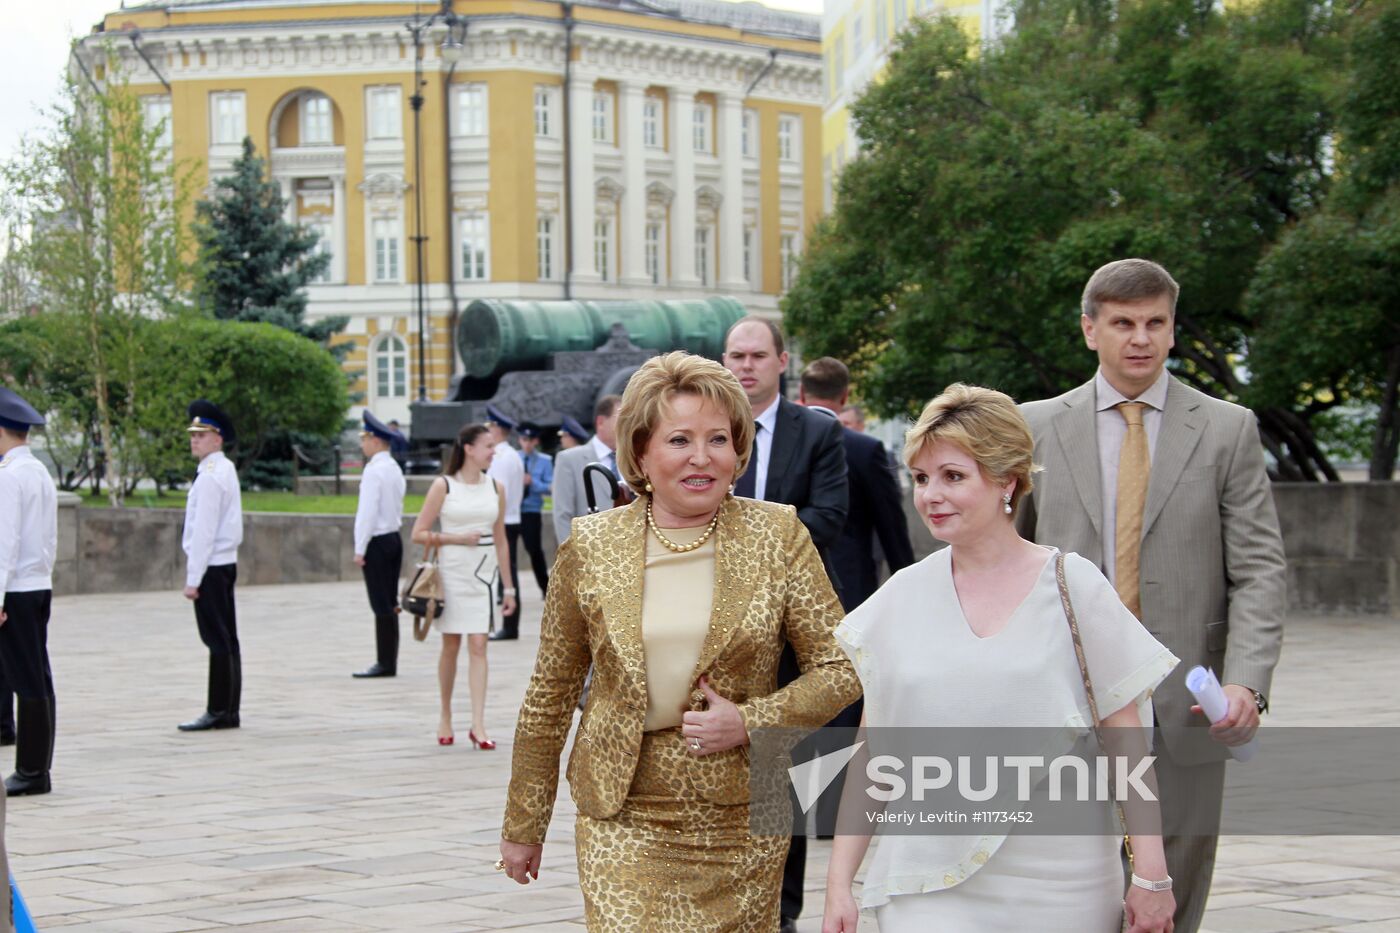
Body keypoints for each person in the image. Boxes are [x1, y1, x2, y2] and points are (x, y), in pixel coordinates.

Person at [499, 352, 861, 933]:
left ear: (739, 448)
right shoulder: (591, 546)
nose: (702, 457)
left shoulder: (778, 533)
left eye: (719, 438)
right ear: (640, 451)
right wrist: (524, 824)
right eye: (679, 439)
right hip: (624, 808)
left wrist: (752, 718)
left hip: (746, 810)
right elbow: (549, 694)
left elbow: (841, 666)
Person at [824, 383, 1179, 933]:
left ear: (1006, 481)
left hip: (1063, 882)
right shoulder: (900, 598)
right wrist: (839, 884)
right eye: (921, 478)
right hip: (927, 882)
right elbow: (873, 755)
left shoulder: (1073, 585)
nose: (931, 495)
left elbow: (1126, 740)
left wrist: (1152, 877)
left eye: (953, 476)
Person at [1017, 258, 1286, 931]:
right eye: (1122, 323)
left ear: (1172, 332)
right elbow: (994, 562)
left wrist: (1247, 684)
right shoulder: (1034, 427)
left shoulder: (1227, 429)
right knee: (1069, 892)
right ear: (1090, 329)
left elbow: (1259, 569)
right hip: (1063, 702)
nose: (1140, 338)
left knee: (1171, 899)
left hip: (1187, 710)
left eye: (1155, 323)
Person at [723, 316, 848, 932]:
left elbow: (830, 515)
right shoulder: (706, 427)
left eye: (756, 355)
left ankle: (783, 910)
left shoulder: (817, 433)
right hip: (713, 623)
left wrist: (761, 544)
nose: (745, 366)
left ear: (782, 361)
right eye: (735, 355)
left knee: (784, 771)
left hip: (788, 622)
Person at [412, 424, 517, 748]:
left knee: (479, 644)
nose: (493, 451)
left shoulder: (496, 488)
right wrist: (454, 538)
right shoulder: (443, 486)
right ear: (469, 448)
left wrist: (509, 588)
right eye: (487, 445)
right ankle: (445, 714)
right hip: (453, 570)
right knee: (452, 644)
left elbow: (501, 540)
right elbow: (419, 532)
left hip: (484, 573)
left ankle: (478, 724)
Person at [799, 358, 913, 613]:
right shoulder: (865, 449)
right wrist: (907, 581)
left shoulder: (775, 443)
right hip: (851, 584)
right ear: (845, 395)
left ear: (802, 393)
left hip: (783, 583)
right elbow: (890, 523)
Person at [0, 388, 57, 796]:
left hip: (16, 589)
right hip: (38, 584)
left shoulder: (9, 476)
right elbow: (48, 538)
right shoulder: (38, 470)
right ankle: (38, 767)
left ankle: (32, 772)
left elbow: (5, 543)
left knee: (27, 680)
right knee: (40, 677)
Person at [178, 400, 245, 732]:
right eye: (194, 435)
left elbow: (203, 532)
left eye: (202, 435)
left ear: (218, 439)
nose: (195, 440)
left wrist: (193, 579)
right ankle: (228, 709)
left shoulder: (209, 477)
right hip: (223, 563)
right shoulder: (223, 469)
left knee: (217, 639)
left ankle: (219, 710)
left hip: (211, 567)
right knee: (227, 638)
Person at [351, 411, 407, 678]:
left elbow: (367, 513)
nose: (362, 444)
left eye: (365, 439)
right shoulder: (393, 468)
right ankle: (389, 658)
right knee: (389, 601)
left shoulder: (374, 471)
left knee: (381, 603)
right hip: (393, 537)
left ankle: (385, 662)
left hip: (377, 541)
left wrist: (359, 548)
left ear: (375, 441)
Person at [551, 395, 624, 544]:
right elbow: (562, 516)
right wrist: (573, 561)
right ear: (601, 422)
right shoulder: (569, 460)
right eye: (621, 420)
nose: (626, 426)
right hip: (590, 557)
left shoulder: (634, 459)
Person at [485, 406, 526, 642]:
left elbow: (498, 494)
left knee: (506, 573)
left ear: (497, 429)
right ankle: (510, 624)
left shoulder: (501, 458)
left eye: (489, 427)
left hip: (504, 521)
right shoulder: (512, 455)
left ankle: (510, 625)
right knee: (507, 573)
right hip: (512, 518)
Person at [517, 423, 553, 598]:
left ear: (536, 441)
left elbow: (550, 487)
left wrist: (533, 482)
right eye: (524, 439)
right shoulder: (513, 458)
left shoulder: (545, 461)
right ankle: (504, 590)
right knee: (506, 551)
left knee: (534, 550)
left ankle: (545, 588)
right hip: (513, 510)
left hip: (531, 510)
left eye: (530, 440)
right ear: (519, 440)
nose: (527, 443)